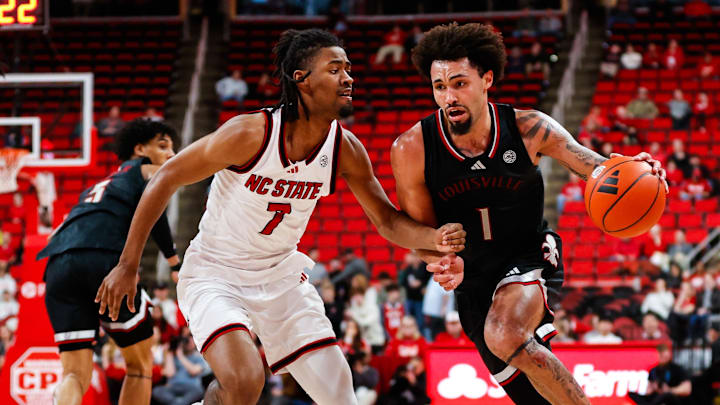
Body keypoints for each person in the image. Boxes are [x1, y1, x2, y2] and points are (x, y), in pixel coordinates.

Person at [96, 29, 466, 405]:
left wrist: (432, 239)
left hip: (282, 278)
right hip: (217, 273)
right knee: (244, 381)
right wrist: (129, 264)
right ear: (301, 79)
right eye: (335, 69)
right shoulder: (249, 133)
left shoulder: (345, 148)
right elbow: (167, 175)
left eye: (349, 69)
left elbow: (386, 221)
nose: (348, 77)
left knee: (341, 395)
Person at [392, 22, 667, 404]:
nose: (449, 96)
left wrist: (639, 171)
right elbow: (420, 229)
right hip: (473, 279)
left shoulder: (529, 127)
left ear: (487, 78)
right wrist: (440, 259)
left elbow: (596, 167)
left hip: (529, 252)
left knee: (504, 332)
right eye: (440, 87)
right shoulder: (413, 148)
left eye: (459, 83)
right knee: (532, 395)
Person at [39, 119, 180, 405]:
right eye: (163, 146)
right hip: (102, 260)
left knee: (74, 374)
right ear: (139, 149)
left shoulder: (100, 185)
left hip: (57, 266)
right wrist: (174, 261)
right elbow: (155, 207)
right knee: (140, 367)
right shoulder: (147, 170)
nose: (171, 155)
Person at [152, 336, 209, 405]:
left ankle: (178, 403)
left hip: (191, 387)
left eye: (192, 341)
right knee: (157, 391)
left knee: (199, 391)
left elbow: (194, 371)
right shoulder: (172, 357)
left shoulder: (198, 358)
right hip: (173, 387)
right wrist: (169, 353)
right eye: (187, 341)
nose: (189, 343)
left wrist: (181, 356)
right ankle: (178, 402)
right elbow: (170, 373)